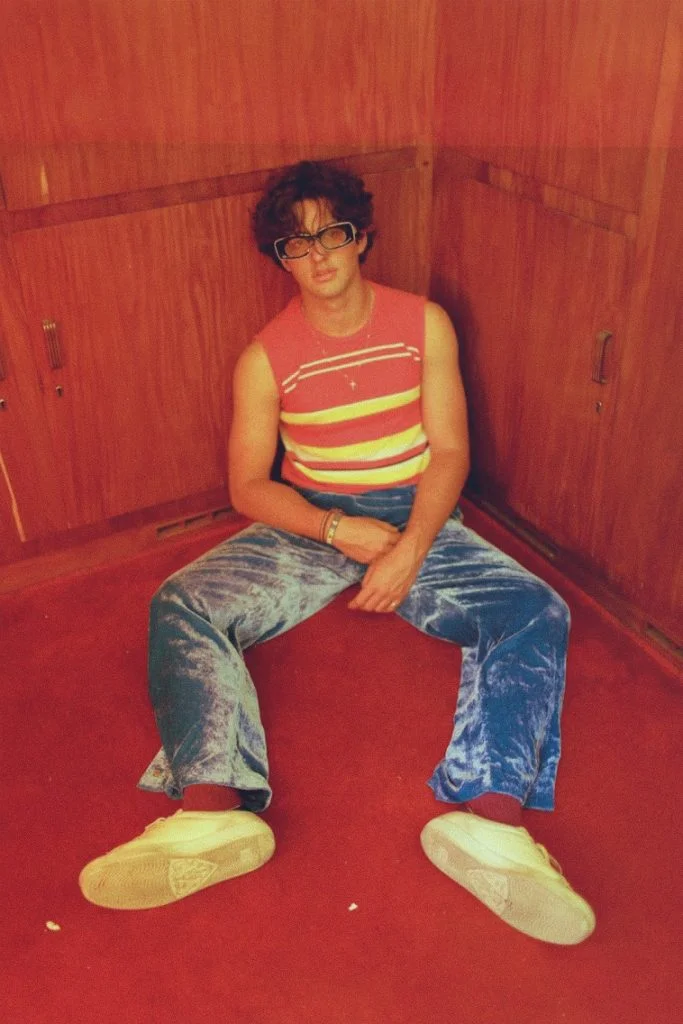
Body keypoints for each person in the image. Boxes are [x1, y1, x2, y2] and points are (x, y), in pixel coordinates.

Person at [79, 160, 595, 945]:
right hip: (313, 520)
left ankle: (491, 822)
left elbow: (450, 452)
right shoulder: (264, 357)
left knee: (535, 610)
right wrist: (332, 529)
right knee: (181, 601)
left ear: (361, 238)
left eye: (331, 234)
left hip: (414, 514)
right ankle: (211, 812)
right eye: (295, 242)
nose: (316, 254)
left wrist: (409, 548)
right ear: (279, 258)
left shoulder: (424, 323)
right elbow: (249, 486)